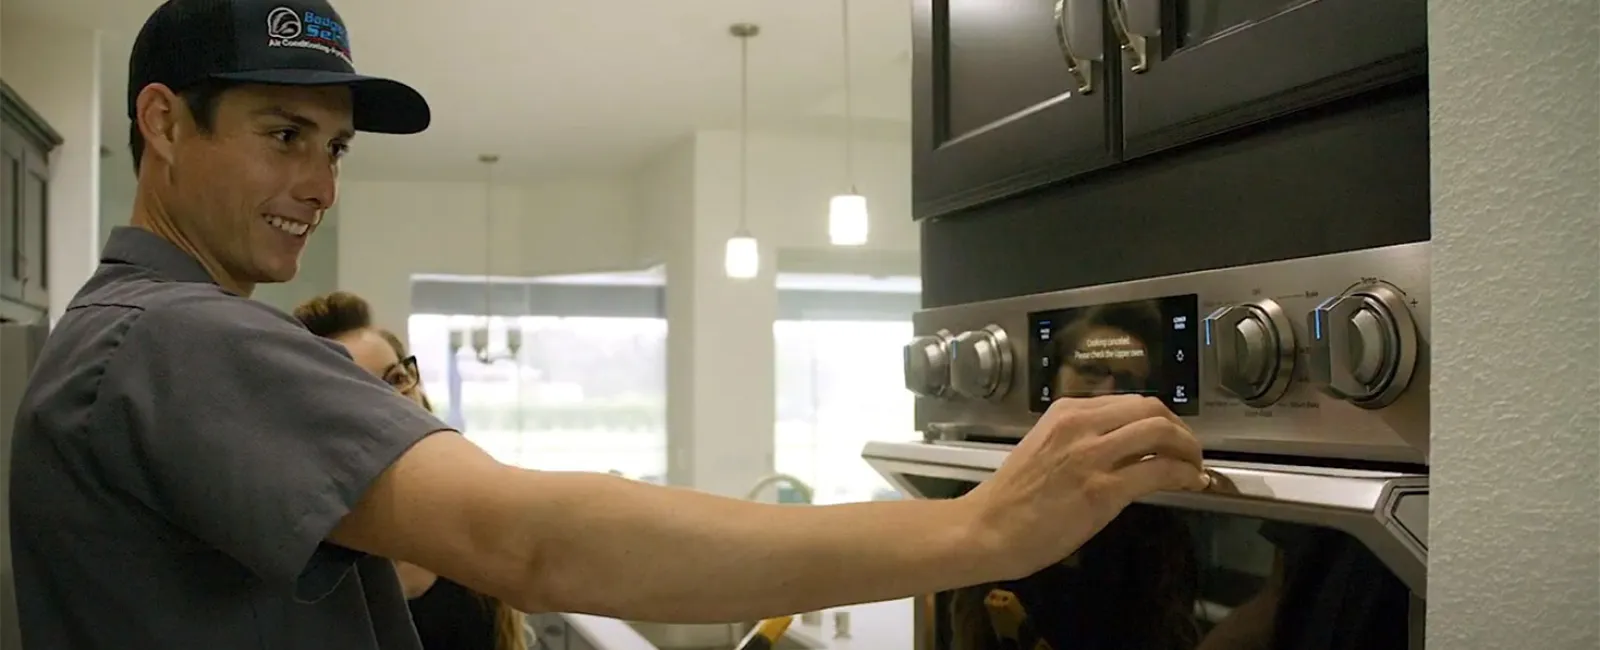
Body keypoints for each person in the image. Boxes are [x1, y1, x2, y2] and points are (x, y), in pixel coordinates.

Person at [6, 0, 1209, 647]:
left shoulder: (113, 344)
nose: (320, 185)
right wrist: (976, 532)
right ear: (163, 125)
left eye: (333, 148)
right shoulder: (183, 337)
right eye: (282, 134)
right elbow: (531, 541)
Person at [293, 291, 528, 650]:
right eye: (362, 390)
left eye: (396, 378)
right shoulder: (306, 562)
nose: (393, 403)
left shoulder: (471, 524)